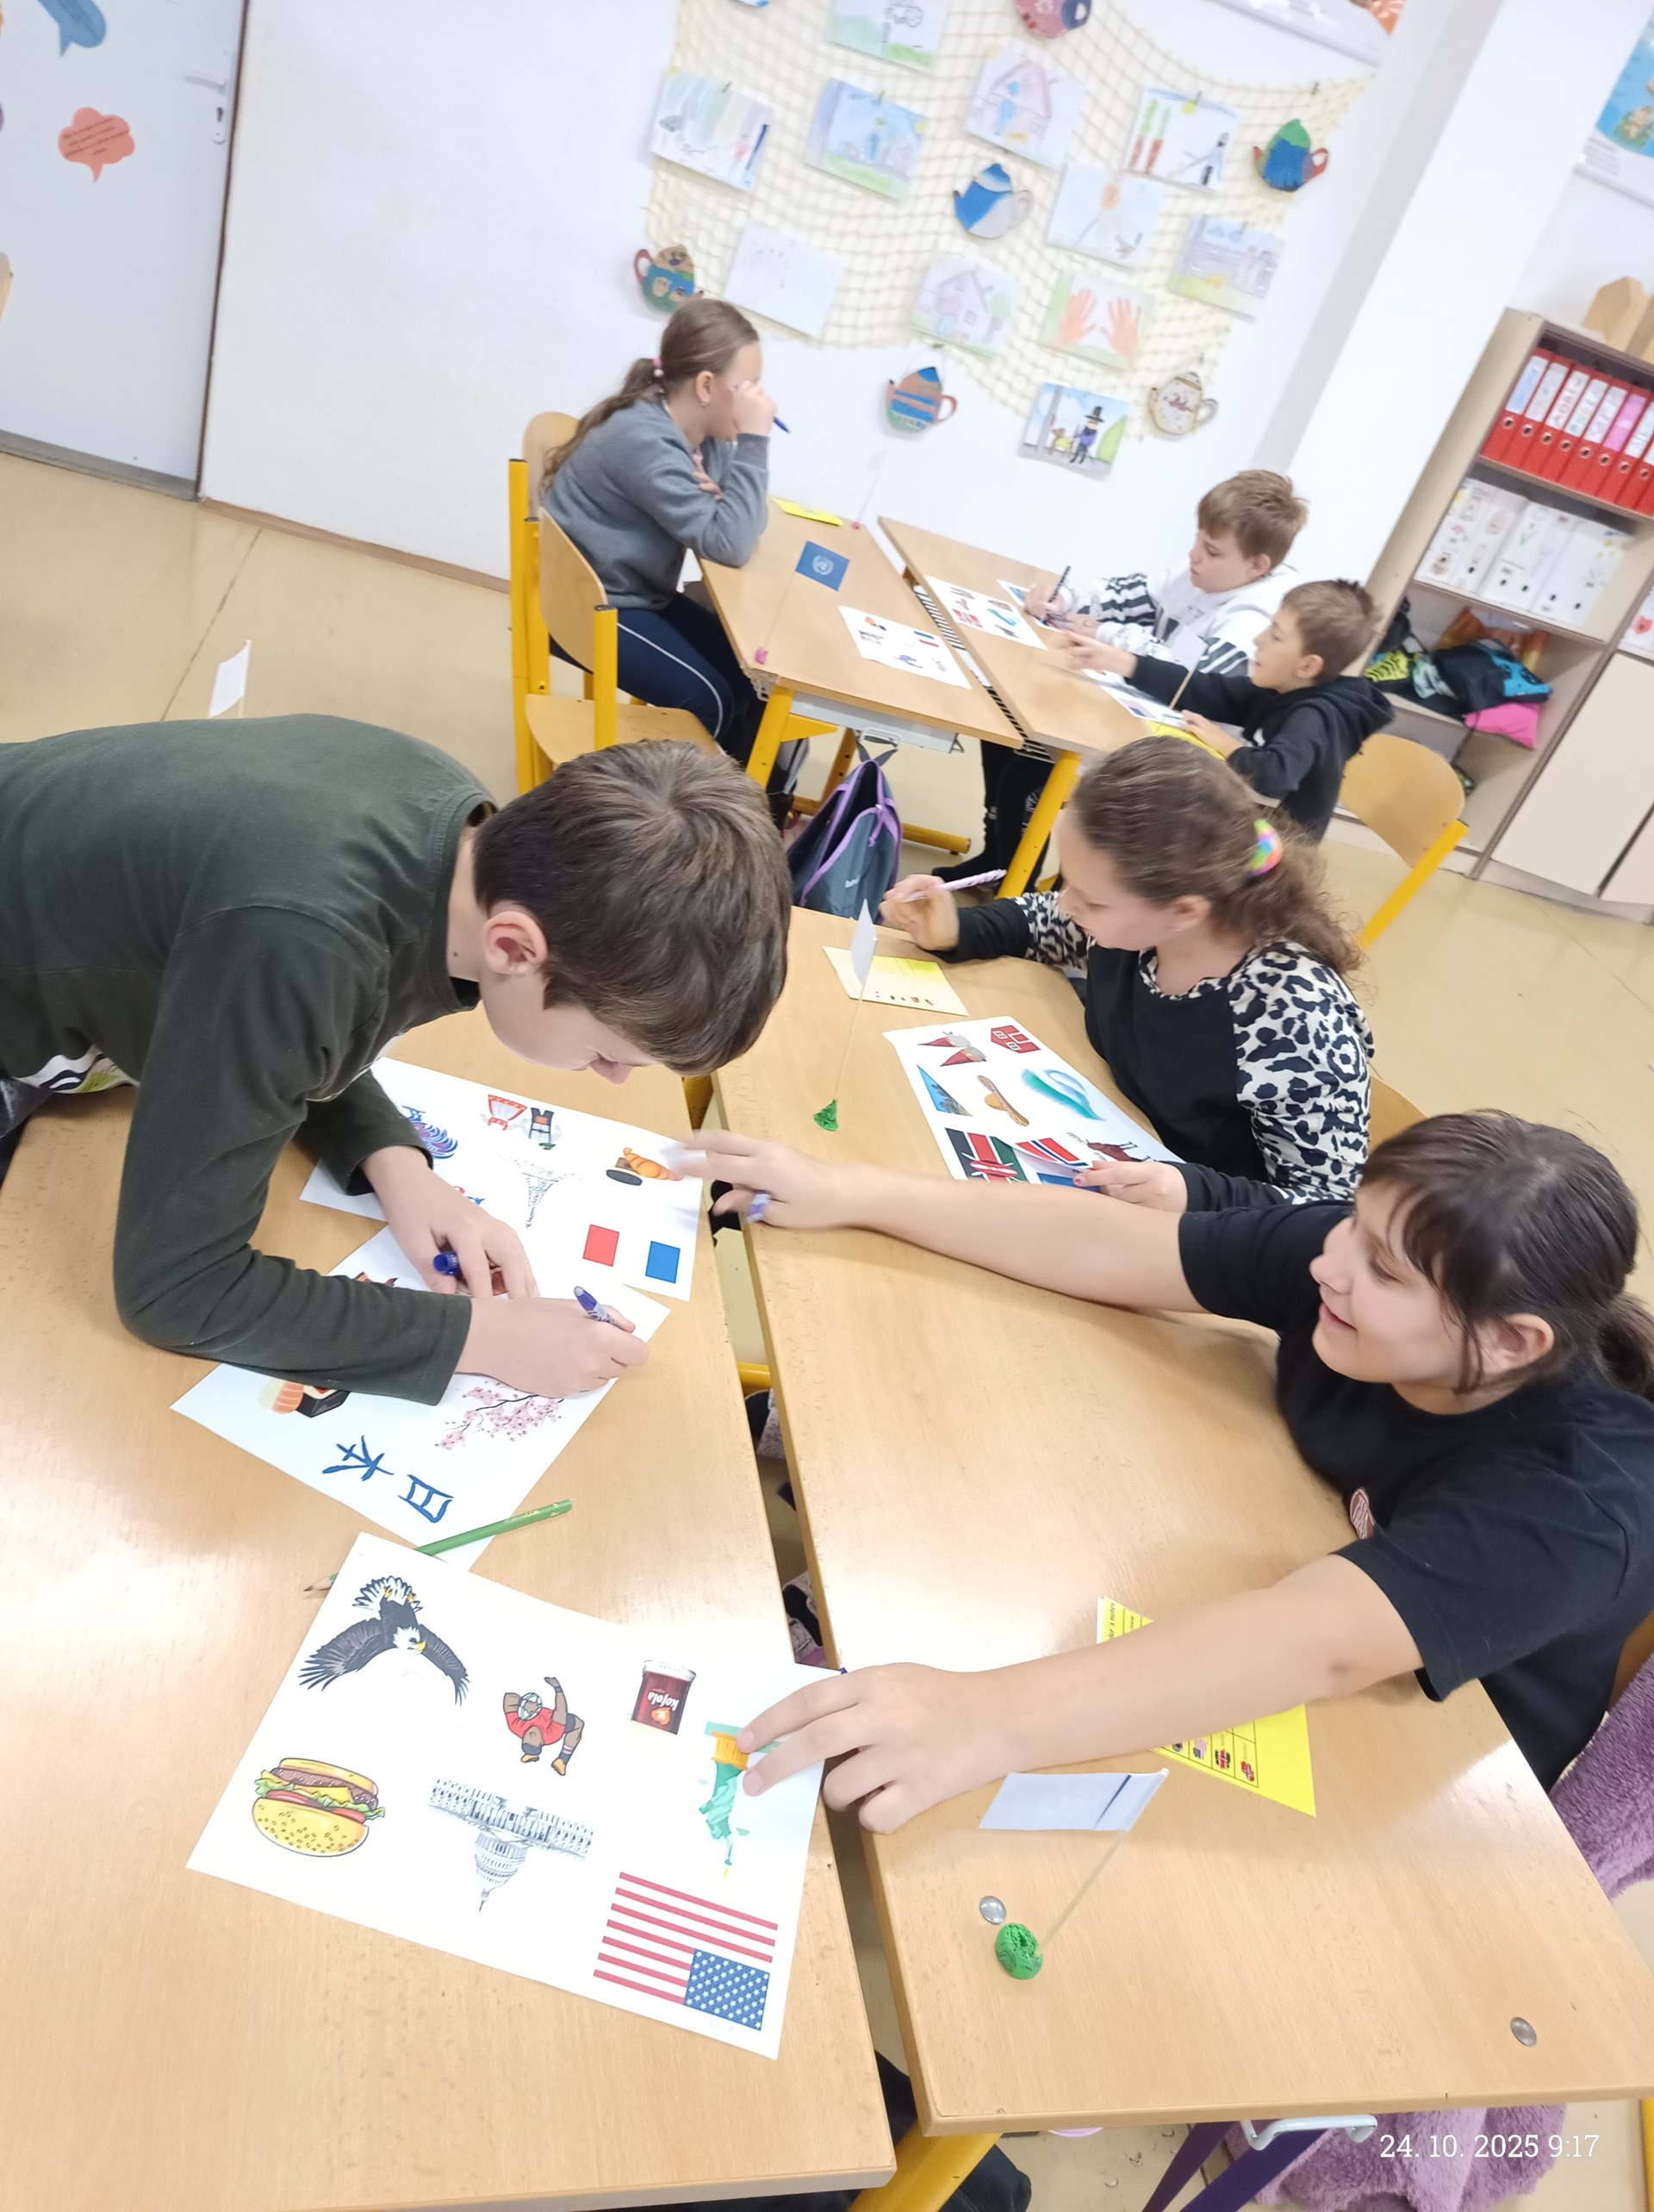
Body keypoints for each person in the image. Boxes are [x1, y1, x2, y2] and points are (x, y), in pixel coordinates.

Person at [688, 1112, 1654, 1827]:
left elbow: (1321, 1642)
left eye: (1385, 1269)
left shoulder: (1580, 1502)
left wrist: (978, 1715)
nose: (1331, 1261)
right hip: (1287, 1571)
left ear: (1513, 1340)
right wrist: (855, 1191)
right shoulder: (1356, 1268)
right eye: (1354, 1223)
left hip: (1421, 1763)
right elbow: (1106, 1242)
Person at [0, 717, 789, 1402]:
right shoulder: (300, 934)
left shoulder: (460, 831)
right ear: (514, 947)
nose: (610, 1077)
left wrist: (394, 1161)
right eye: (608, 1052)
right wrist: (481, 1337)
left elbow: (290, 1013)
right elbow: (176, 1288)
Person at [884, 738, 1371, 1211]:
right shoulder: (1146, 923)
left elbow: (1328, 1209)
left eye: (1092, 900)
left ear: (1184, 912)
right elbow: (1047, 920)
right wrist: (957, 928)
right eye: (1069, 883)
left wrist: (1194, 1193)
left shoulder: (1295, 1018)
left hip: (1194, 1230)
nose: (1067, 905)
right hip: (1100, 1138)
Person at [945, 470, 1307, 881]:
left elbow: (1195, 684)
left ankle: (1022, 885)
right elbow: (1128, 593)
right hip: (1139, 711)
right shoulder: (1202, 572)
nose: (1194, 555)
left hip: (1186, 749)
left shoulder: (1255, 616)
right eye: (1197, 539)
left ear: (1256, 566)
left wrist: (1112, 636)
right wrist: (1066, 599)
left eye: (1210, 550)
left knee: (1027, 769)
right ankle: (1001, 863)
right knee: (1008, 725)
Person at [543, 296, 777, 770]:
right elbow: (732, 544)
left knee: (754, 681)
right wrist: (756, 439)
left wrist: (730, 490)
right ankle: (663, 803)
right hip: (589, 604)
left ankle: (743, 797)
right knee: (710, 700)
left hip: (637, 593)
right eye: (747, 386)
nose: (758, 400)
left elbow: (742, 523)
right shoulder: (645, 439)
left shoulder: (702, 437)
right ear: (706, 386)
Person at [1060, 581, 1391, 841]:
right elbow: (1205, 690)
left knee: (1121, 820)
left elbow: (1275, 776)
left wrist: (1224, 742)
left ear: (1307, 666)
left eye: (1275, 636)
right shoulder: (1282, 687)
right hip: (1240, 827)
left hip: (1269, 859)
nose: (1258, 640)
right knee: (1117, 810)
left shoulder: (1315, 716)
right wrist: (1124, 662)